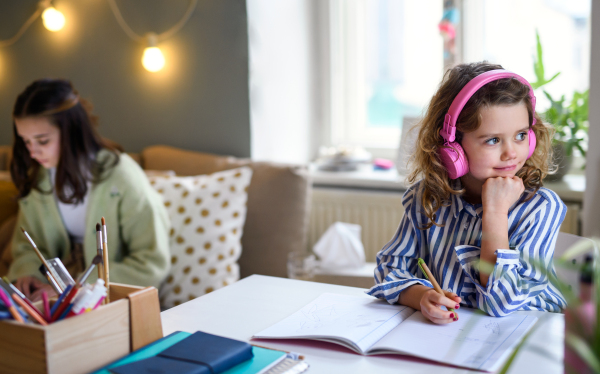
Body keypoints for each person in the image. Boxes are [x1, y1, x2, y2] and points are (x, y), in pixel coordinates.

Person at [367, 62, 567, 324]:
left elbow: (501, 303)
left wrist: (495, 213)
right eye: (493, 140)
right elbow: (388, 269)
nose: (511, 153)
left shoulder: (540, 207)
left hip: (525, 338)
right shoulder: (426, 198)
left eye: (520, 135)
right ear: (452, 149)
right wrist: (421, 296)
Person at [7, 79, 171, 301]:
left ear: (72, 132)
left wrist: (78, 289)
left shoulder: (121, 176)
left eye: (42, 141)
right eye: (26, 142)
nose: (32, 152)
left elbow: (151, 261)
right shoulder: (38, 178)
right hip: (52, 296)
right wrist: (28, 273)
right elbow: (25, 245)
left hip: (111, 296)